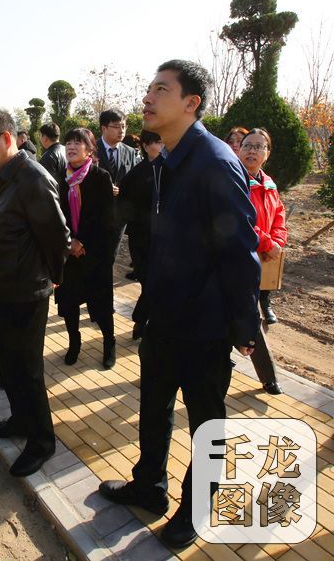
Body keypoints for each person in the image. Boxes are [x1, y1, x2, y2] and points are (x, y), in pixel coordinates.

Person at [98, 60, 260, 549]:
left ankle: (196, 509)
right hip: (164, 317)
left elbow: (239, 252)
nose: (147, 98)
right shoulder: (166, 160)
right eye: (148, 88)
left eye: (160, 90)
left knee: (207, 423)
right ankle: (149, 486)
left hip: (205, 326)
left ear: (191, 103)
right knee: (153, 408)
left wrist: (243, 325)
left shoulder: (214, 162)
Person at [0, 108, 70, 477]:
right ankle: (20, 419)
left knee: (27, 371)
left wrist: (52, 279)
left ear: (8, 138)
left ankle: (42, 442)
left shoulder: (32, 177)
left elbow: (56, 237)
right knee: (9, 366)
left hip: (25, 293)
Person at [55, 128, 116, 369]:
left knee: (101, 305)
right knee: (69, 304)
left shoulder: (101, 177)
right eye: (68, 142)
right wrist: (69, 242)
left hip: (95, 254)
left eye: (77, 143)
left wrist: (84, 243)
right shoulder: (60, 177)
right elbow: (55, 216)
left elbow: (106, 219)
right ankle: (74, 344)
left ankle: (109, 344)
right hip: (69, 254)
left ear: (90, 149)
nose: (71, 147)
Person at [238, 127, 287, 394]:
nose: (252, 151)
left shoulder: (269, 184)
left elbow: (279, 216)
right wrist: (268, 243)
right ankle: (269, 377)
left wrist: (278, 242)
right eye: (247, 145)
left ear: (267, 154)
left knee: (251, 317)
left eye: (259, 146)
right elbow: (239, 220)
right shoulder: (234, 179)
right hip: (234, 261)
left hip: (261, 262)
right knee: (248, 317)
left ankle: (267, 376)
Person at [117, 130, 164, 340]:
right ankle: (140, 319)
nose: (162, 145)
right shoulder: (137, 174)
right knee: (149, 281)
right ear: (146, 146)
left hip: (164, 239)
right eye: (158, 141)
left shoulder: (170, 170)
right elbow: (123, 205)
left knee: (158, 282)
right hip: (141, 239)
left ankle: (143, 320)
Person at [97, 109, 141, 264]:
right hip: (95, 214)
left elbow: (134, 180)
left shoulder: (130, 152)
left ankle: (106, 288)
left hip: (119, 216)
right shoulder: (91, 150)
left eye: (123, 126)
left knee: (110, 258)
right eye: (116, 126)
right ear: (104, 128)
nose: (121, 130)